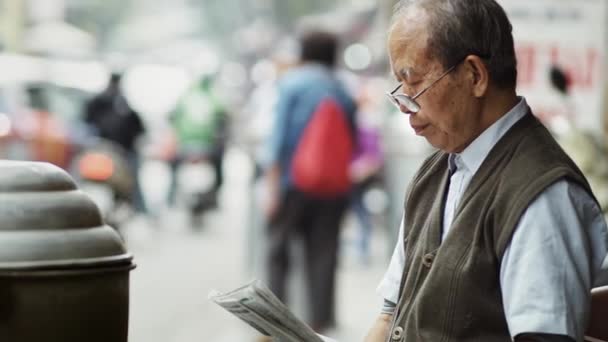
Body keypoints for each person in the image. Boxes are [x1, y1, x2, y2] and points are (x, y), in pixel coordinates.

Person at [364, 1, 608, 342]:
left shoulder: (541, 197)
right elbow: (391, 314)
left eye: (414, 82)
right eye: (399, 87)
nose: (405, 105)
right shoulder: (435, 173)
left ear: (474, 75)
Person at [263, 30, 357, 334]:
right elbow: (351, 143)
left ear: (303, 52)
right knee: (324, 253)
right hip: (333, 187)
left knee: (278, 253)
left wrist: (271, 188)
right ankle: (321, 321)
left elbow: (276, 143)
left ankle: (272, 323)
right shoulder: (342, 88)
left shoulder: (292, 83)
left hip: (293, 184)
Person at [84, 72, 148, 214]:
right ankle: (141, 210)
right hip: (108, 152)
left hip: (113, 151)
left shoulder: (119, 104)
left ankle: (140, 210)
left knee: (132, 182)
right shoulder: (113, 103)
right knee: (132, 182)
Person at [166, 74, 228, 209]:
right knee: (219, 167)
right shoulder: (214, 97)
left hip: (185, 146)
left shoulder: (185, 97)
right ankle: (216, 197)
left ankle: (170, 199)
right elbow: (223, 118)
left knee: (172, 170)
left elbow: (171, 117)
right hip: (207, 146)